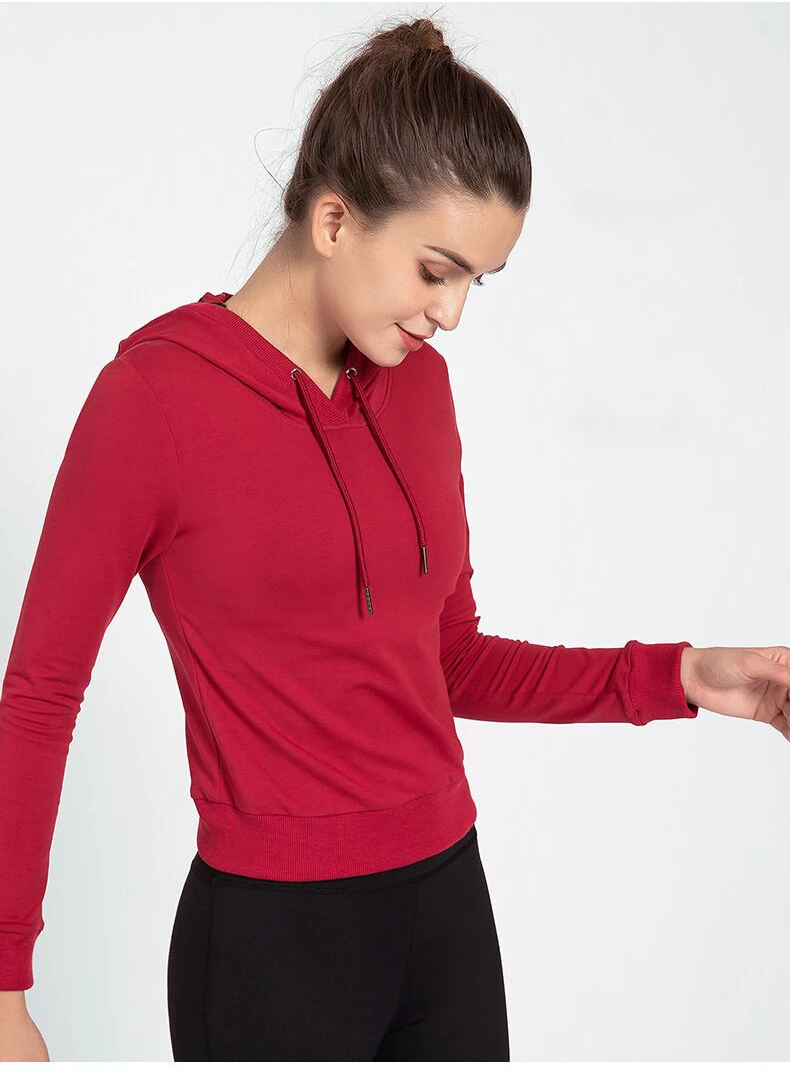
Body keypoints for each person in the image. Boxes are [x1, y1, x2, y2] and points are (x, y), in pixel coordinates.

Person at [13, 11, 789, 1063]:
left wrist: (685, 675)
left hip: (445, 910)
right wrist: (4, 980)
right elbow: (40, 696)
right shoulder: (153, 401)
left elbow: (449, 659)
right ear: (335, 221)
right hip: (271, 941)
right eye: (436, 270)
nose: (452, 313)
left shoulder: (418, 389)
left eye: (476, 281)